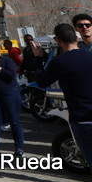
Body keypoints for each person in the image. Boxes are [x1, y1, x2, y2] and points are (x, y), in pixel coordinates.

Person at [38, 22, 92, 166]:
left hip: (83, 118)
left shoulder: (60, 62)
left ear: (58, 40)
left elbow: (42, 81)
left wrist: (40, 58)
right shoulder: (89, 55)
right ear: (76, 37)